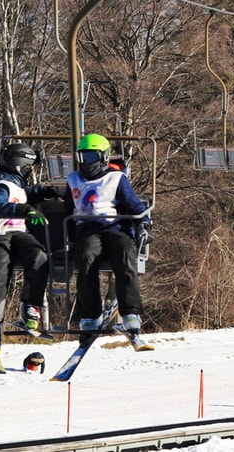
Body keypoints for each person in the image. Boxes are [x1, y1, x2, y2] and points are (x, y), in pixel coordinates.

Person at [64, 133, 154, 350]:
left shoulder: (116, 179)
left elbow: (134, 205)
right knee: (85, 257)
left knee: (125, 253)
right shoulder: (73, 180)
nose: (86, 163)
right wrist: (70, 239)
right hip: (88, 230)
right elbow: (68, 210)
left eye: (91, 157)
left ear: (103, 157)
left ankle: (130, 314)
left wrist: (144, 225)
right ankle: (90, 315)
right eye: (83, 157)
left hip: (116, 227)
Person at [0, 143, 57, 370]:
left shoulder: (14, 182)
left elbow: (23, 195)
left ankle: (30, 305)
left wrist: (47, 192)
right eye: (29, 168)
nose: (29, 172)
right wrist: (25, 210)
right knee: (0, 273)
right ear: (21, 165)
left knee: (39, 256)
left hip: (17, 232)